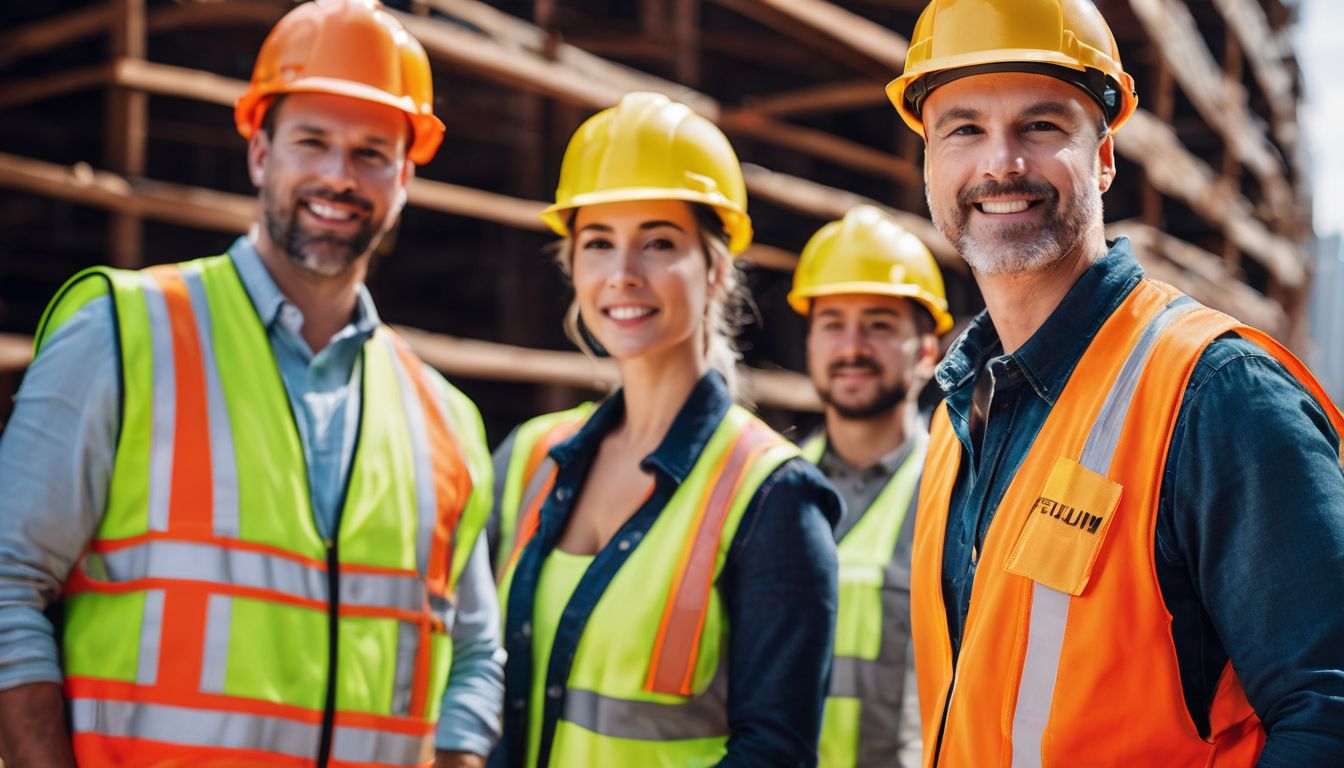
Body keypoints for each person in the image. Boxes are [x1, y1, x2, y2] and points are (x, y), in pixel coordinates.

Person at [0, 2, 504, 765]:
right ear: (260, 150)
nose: (339, 175)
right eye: (313, 142)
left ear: (406, 176)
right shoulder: (123, 334)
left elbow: (474, 654)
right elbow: (7, 583)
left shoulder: (444, 419)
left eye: (372, 152)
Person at [883, 0, 1344, 765]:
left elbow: (1328, 714)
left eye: (1040, 125)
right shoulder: (959, 415)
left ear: (1103, 156)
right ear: (929, 161)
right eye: (963, 128)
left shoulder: (1216, 393)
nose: (1000, 163)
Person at [488, 91, 841, 768]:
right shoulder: (530, 458)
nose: (623, 275)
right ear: (573, 268)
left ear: (715, 270)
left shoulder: (774, 496)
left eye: (658, 242)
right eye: (598, 243)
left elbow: (773, 754)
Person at [788, 205, 950, 768]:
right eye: (832, 323)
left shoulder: (959, 490)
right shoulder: (770, 486)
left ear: (926, 351)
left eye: (879, 325)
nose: (852, 346)